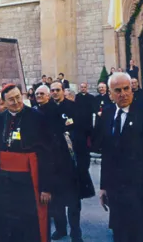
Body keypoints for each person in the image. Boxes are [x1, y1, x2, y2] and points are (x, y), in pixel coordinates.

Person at [0, 84, 53, 242]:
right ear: (4, 102)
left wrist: (46, 187)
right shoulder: (0, 119)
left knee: (30, 225)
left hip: (30, 180)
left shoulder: (37, 117)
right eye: (11, 99)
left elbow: (48, 153)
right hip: (6, 182)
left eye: (18, 97)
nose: (16, 102)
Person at [99, 72, 143, 242]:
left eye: (127, 89)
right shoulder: (107, 114)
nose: (123, 94)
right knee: (119, 234)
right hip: (115, 190)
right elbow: (106, 154)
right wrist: (104, 186)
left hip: (139, 190)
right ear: (110, 94)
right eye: (118, 90)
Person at [50, 81, 88, 241]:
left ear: (63, 91)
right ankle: (60, 229)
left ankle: (75, 231)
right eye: (52, 90)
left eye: (57, 90)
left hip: (72, 161)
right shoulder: (48, 109)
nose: (55, 93)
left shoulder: (73, 107)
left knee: (73, 200)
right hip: (54, 162)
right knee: (56, 201)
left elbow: (81, 129)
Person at [74, 82, 96, 198]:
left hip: (87, 126)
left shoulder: (91, 98)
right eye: (81, 87)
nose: (83, 89)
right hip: (79, 126)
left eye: (84, 87)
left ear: (87, 88)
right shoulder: (77, 97)